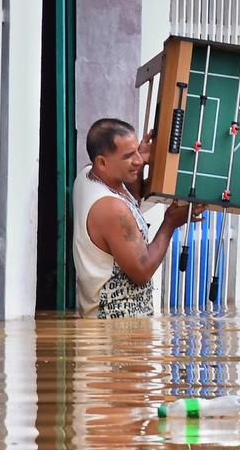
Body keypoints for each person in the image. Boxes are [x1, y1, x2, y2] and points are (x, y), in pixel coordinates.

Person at [73, 118, 201, 318]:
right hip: (117, 328)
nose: (140, 160)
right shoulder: (112, 209)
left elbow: (132, 204)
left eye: (137, 151)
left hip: (114, 324)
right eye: (129, 156)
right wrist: (169, 224)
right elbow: (142, 272)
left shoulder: (88, 175)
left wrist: (136, 164)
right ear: (102, 162)